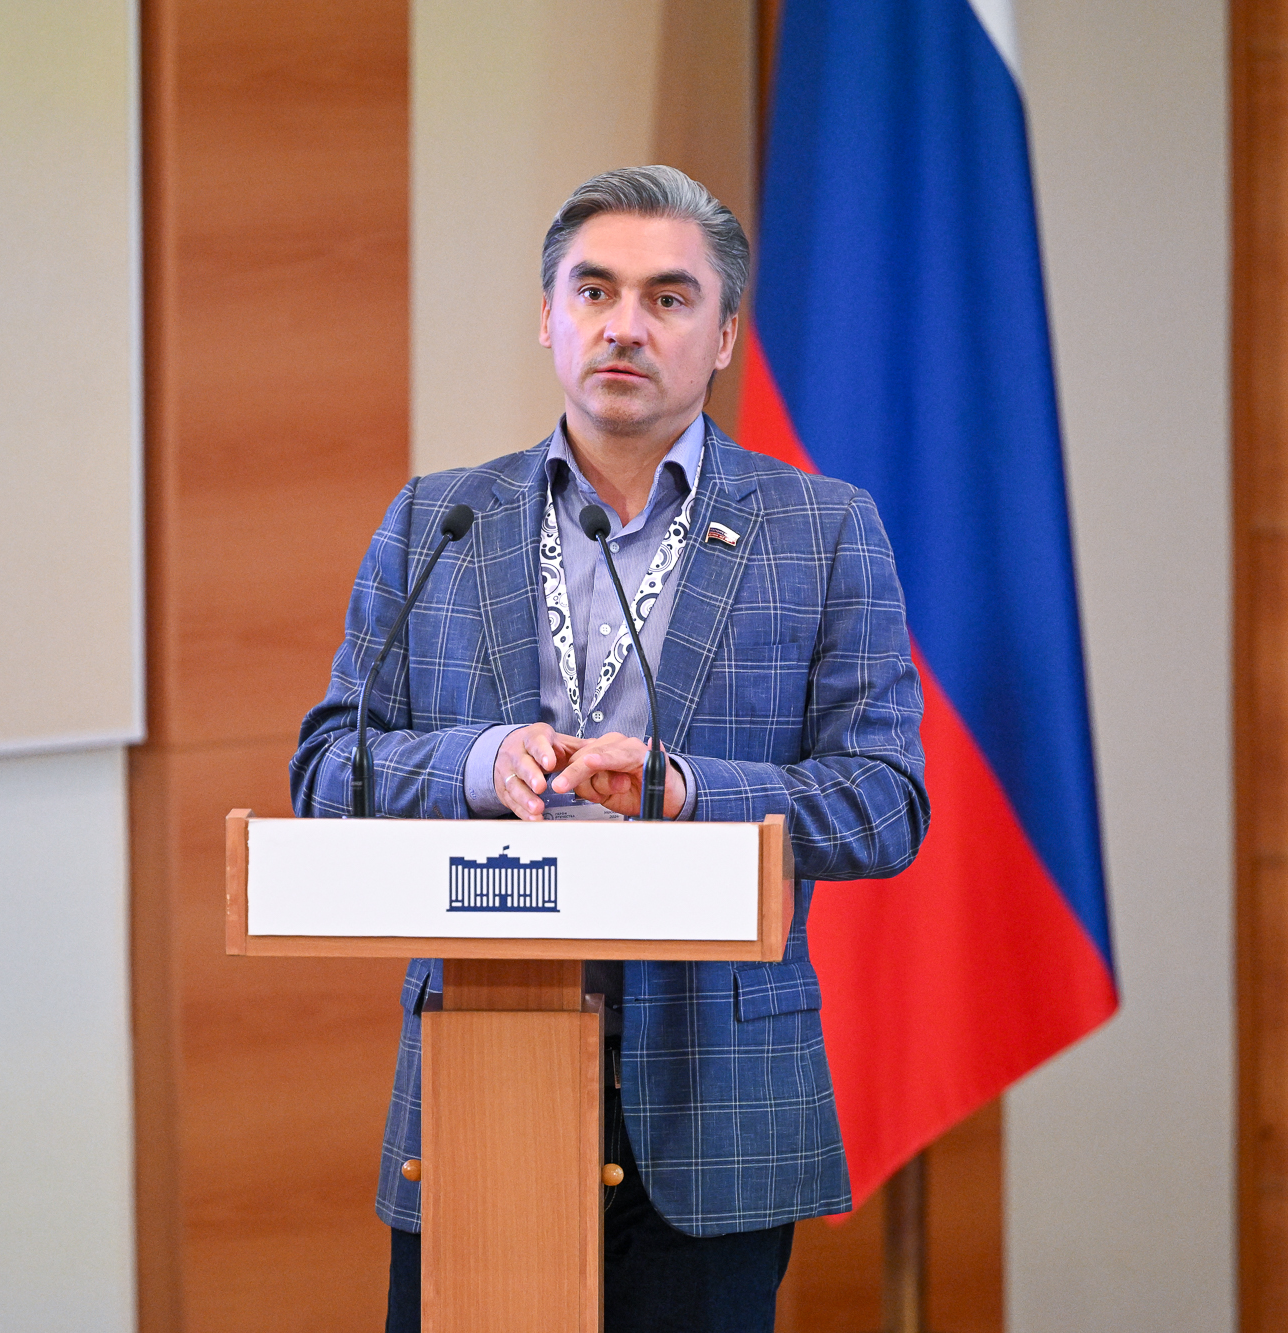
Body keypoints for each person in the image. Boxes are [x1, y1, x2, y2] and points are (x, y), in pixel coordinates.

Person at [290, 165, 928, 1333]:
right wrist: (479, 764)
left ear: (722, 336)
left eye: (667, 298)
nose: (623, 325)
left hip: (715, 1095)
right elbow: (329, 770)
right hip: (483, 1077)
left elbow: (883, 804)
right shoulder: (438, 520)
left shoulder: (823, 531)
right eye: (592, 291)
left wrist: (683, 789)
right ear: (547, 318)